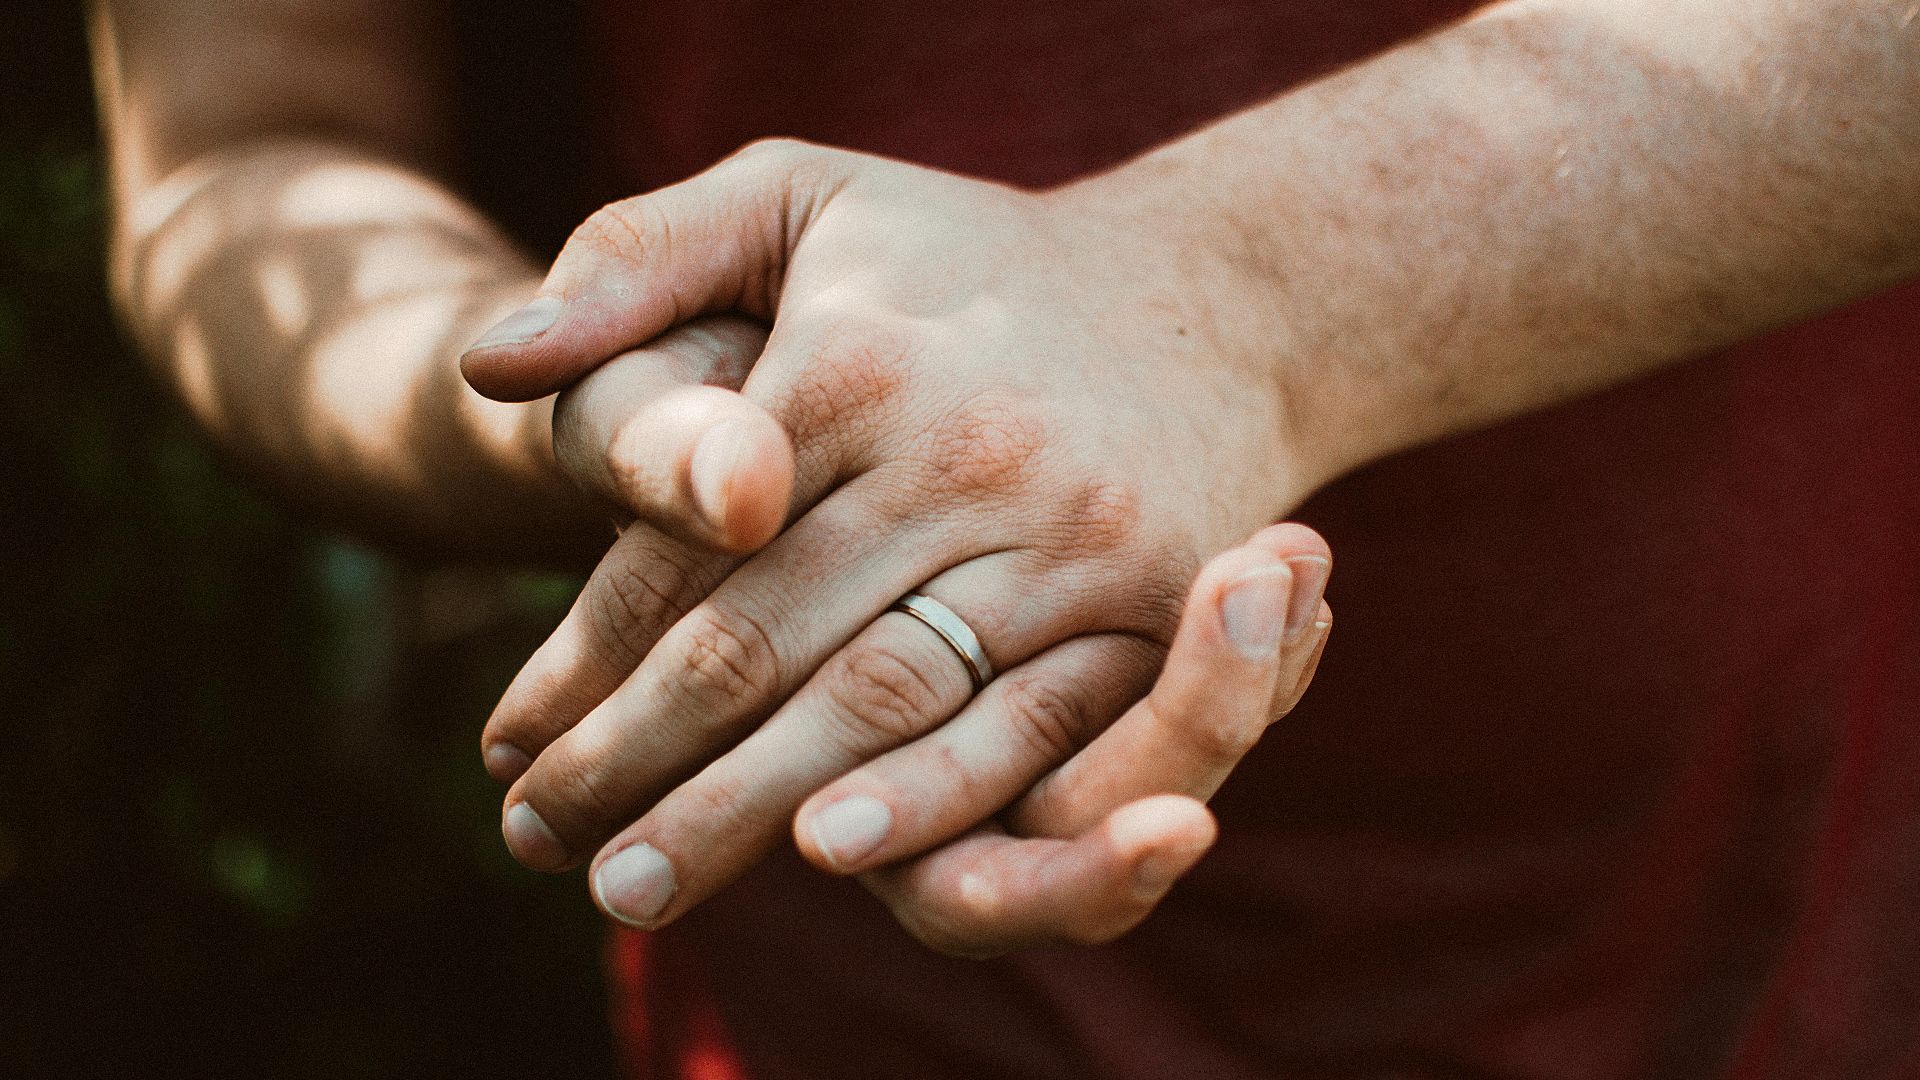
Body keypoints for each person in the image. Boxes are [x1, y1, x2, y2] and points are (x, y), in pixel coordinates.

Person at [91, 0, 1919, 1077]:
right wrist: (644, 406)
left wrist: (1234, 303)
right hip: (855, 951)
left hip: (1779, 918)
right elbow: (249, 147)